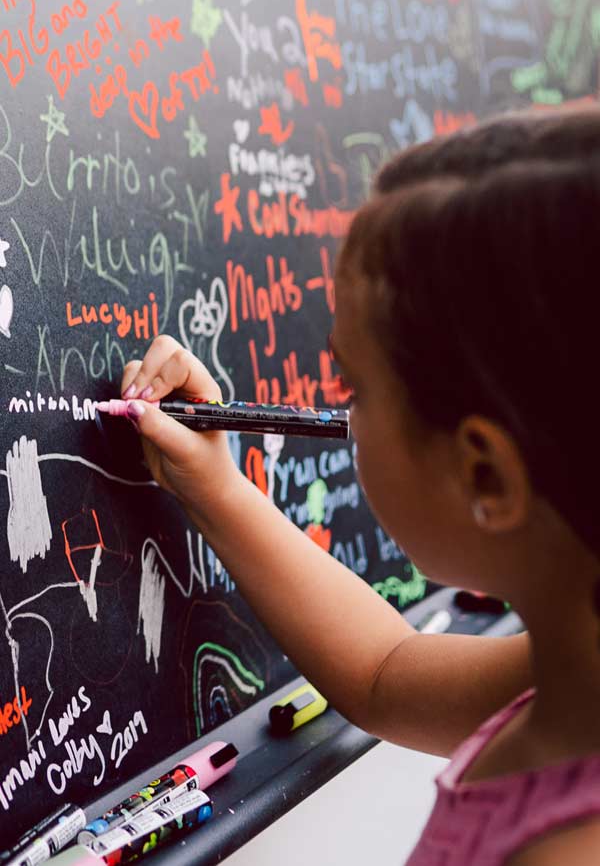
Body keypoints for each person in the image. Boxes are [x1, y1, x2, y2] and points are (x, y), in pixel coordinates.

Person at [119, 105, 600, 864]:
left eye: (353, 389)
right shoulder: (569, 679)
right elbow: (383, 674)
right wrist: (217, 488)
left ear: (485, 474)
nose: (338, 409)